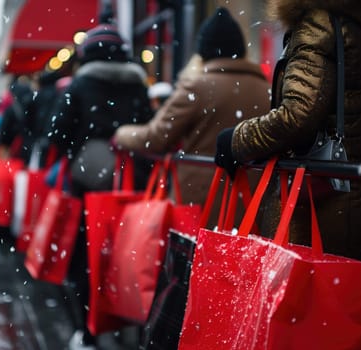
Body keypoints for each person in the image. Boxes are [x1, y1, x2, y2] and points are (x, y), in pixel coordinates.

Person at [214, 1, 361, 348]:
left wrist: (235, 140)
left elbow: (297, 116)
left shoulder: (322, 20)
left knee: (308, 329)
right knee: (357, 324)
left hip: (321, 209)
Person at [48, 23, 153, 349]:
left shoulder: (80, 85)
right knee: (131, 250)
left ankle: (91, 330)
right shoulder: (137, 84)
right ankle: (130, 320)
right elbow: (147, 126)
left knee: (87, 255)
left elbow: (57, 131)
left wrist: (79, 150)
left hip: (88, 183)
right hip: (133, 181)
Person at [113, 7, 271, 219]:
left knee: (196, 252)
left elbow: (156, 138)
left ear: (203, 51)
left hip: (200, 203)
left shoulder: (198, 87)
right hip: (251, 203)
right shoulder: (265, 89)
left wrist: (122, 134)